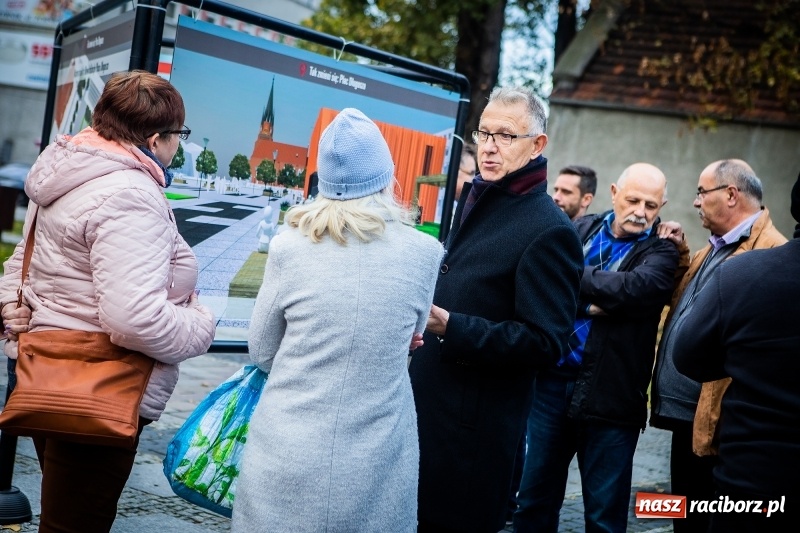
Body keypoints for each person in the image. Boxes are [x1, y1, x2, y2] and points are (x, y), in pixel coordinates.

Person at [0, 70, 215, 532]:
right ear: (157, 138)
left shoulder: (70, 171)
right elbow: (133, 318)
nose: (179, 144)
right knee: (77, 522)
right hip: (101, 385)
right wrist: (200, 324)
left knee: (65, 511)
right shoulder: (130, 195)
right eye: (180, 135)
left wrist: (10, 309)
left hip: (47, 368)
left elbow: (23, 256)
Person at [231, 108, 443, 532]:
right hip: (377, 455)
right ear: (386, 177)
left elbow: (262, 350)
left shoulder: (289, 248)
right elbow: (403, 347)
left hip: (288, 447)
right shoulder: (424, 254)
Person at [408, 86, 584, 533]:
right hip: (428, 410)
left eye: (506, 135)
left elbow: (547, 342)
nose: (489, 145)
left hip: (473, 433)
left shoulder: (549, 229)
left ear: (537, 145)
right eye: (484, 133)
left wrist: (453, 325)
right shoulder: (482, 196)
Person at [512, 163, 680, 532]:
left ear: (663, 204)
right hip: (550, 387)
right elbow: (543, 281)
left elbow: (637, 290)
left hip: (612, 398)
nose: (641, 212)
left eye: (651, 205)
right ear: (615, 193)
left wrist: (573, 284)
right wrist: (593, 303)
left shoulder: (663, 251)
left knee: (604, 516)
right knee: (532, 503)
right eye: (633, 200)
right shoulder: (577, 230)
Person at [650, 159, 786, 533]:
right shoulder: (714, 248)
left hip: (719, 430)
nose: (695, 202)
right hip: (686, 421)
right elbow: (687, 305)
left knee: (705, 521)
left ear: (730, 194)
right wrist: (680, 256)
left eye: (700, 192)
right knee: (681, 517)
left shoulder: (769, 254)